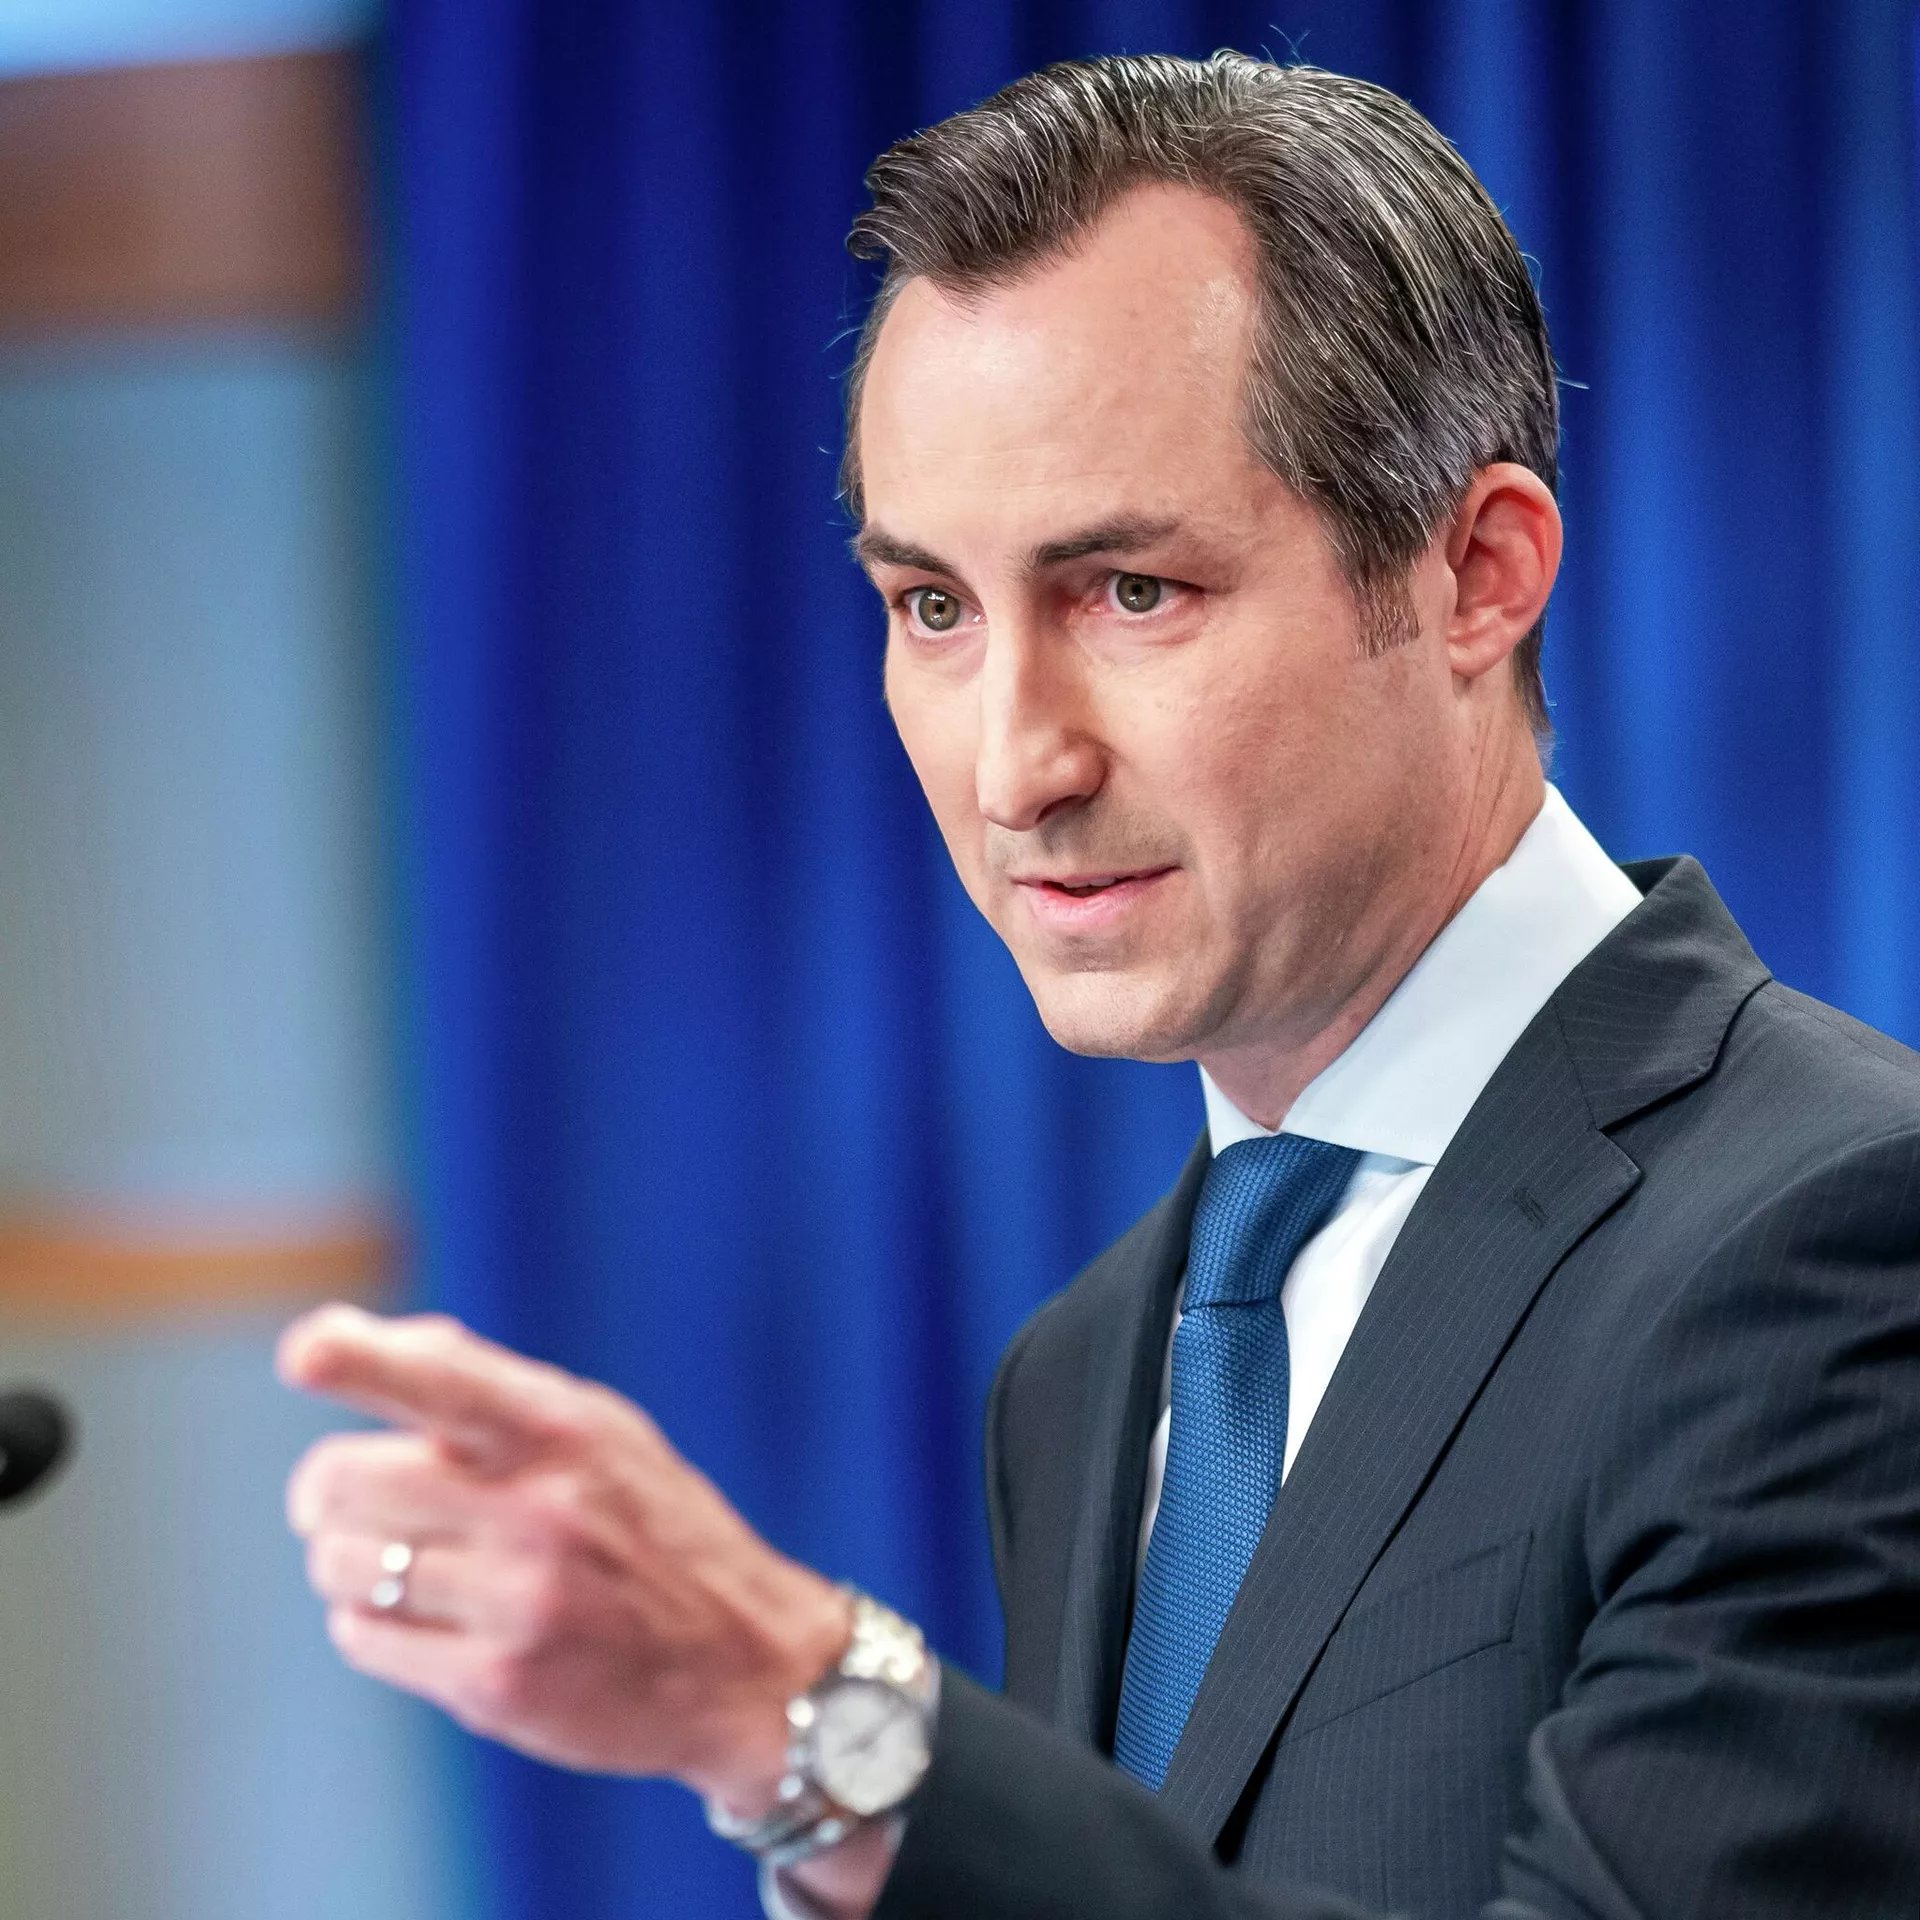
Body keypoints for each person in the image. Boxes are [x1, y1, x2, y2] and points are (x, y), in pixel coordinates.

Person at [279, 53, 1920, 1920]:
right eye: (934, 609)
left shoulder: (1843, 1241)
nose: (1015, 766)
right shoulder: (1081, 1368)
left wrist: (815, 1722)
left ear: (1478, 575)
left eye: (1131, 592)